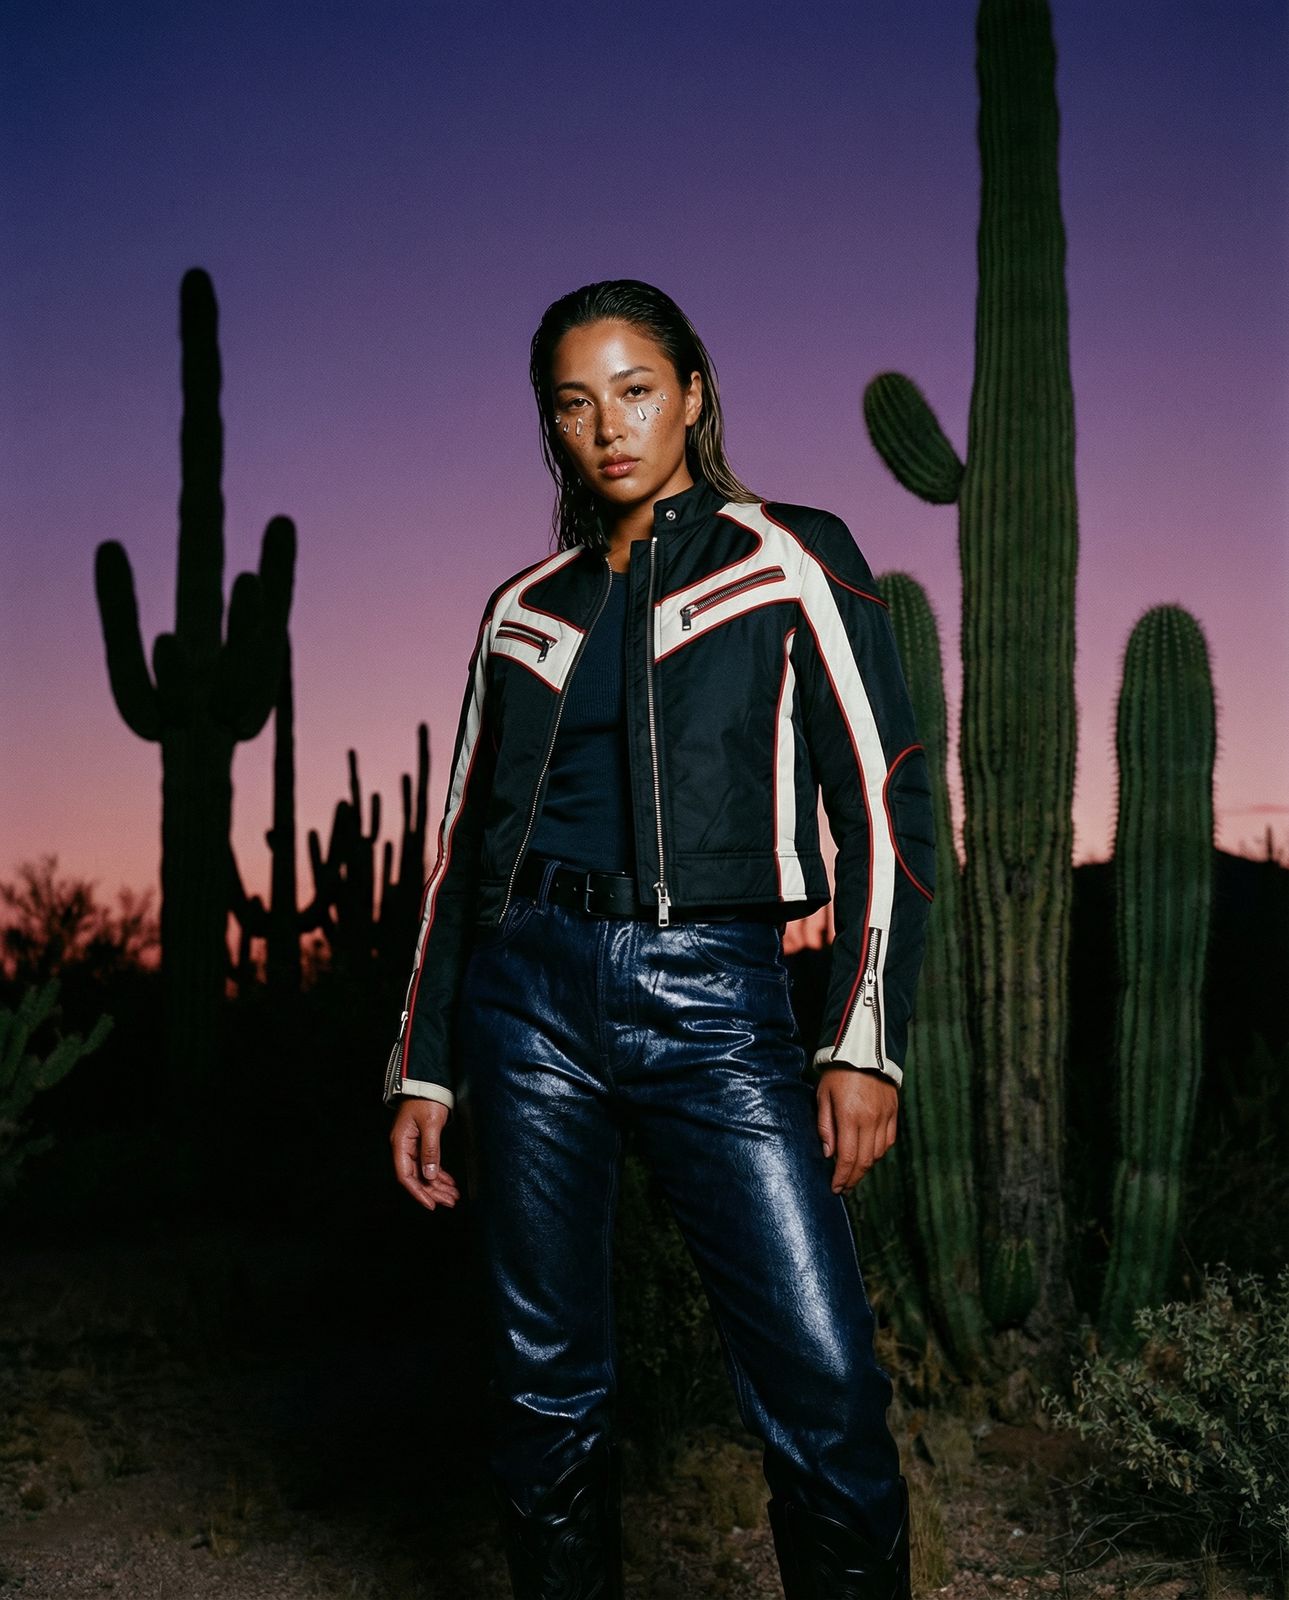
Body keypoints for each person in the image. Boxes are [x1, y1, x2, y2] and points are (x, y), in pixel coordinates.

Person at [384, 279, 935, 1600]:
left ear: (691, 390)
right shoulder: (521, 606)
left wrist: (862, 1037)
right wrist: (425, 1063)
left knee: (822, 1383)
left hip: (715, 1001)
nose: (607, 428)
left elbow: (887, 795)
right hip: (524, 1006)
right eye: (572, 405)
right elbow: (459, 853)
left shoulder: (785, 553)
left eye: (634, 390)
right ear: (550, 430)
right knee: (546, 1394)